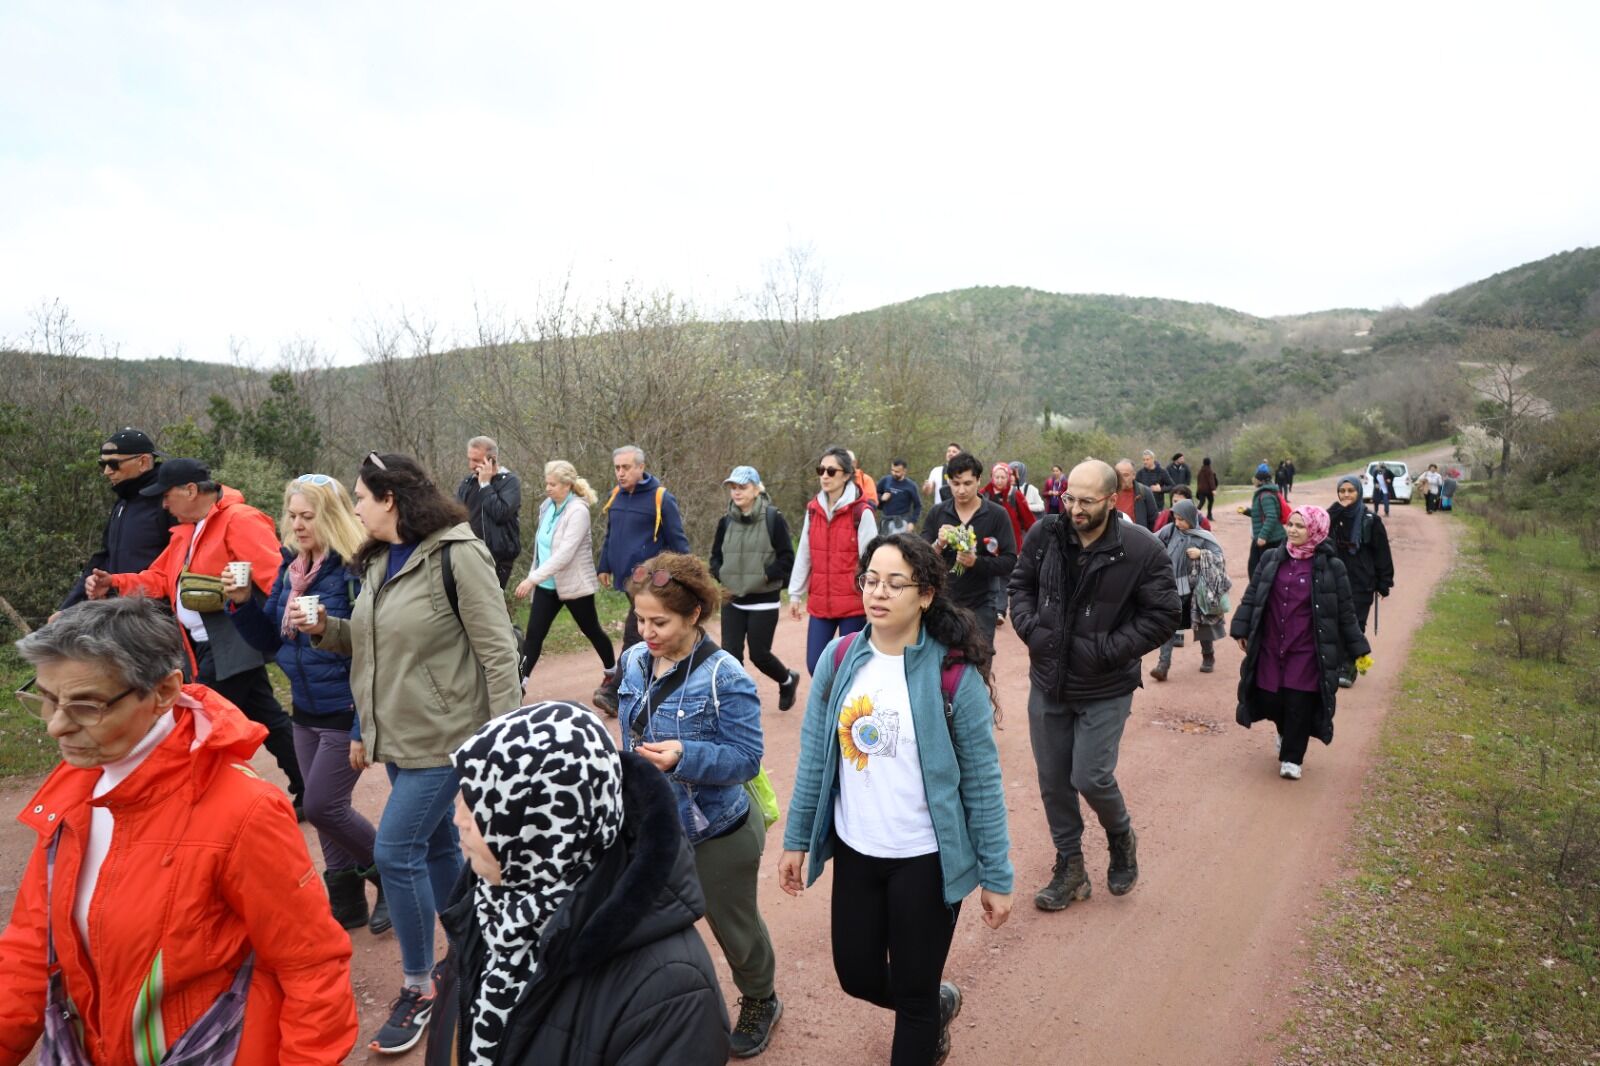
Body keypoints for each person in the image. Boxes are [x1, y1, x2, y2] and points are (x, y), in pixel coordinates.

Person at [0, 598, 358, 1065]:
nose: (56, 726)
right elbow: (31, 943)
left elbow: (310, 965)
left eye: (85, 706)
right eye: (46, 699)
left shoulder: (243, 811)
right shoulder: (74, 786)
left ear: (165, 692)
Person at [303, 451, 522, 1055]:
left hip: (449, 739)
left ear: (390, 498)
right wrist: (326, 626)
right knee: (435, 847)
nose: (354, 508)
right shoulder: (378, 560)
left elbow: (499, 652)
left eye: (360, 497)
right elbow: (370, 641)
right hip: (400, 736)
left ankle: (421, 985)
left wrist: (502, 748)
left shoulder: (459, 554)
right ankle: (475, 947)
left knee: (396, 849)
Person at [779, 533, 1014, 1066]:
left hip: (925, 861)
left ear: (926, 595)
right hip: (858, 851)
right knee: (856, 975)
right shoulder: (840, 659)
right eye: (871, 581)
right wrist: (797, 840)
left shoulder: (953, 674)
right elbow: (816, 758)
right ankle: (936, 1003)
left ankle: (924, 1011)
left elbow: (981, 781)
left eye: (894, 583)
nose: (877, 593)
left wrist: (997, 876)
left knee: (912, 998)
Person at [425, 701, 730, 1066]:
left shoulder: (672, 992)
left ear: (542, 826)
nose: (458, 818)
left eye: (478, 803)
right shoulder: (489, 904)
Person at [616, 552, 782, 1058]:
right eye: (640, 619)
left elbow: (746, 759)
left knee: (734, 928)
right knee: (646, 927)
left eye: (659, 621)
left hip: (716, 831)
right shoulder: (633, 661)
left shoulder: (724, 674)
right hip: (652, 827)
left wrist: (685, 755)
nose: (647, 631)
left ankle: (760, 999)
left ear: (693, 615)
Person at [86, 456, 306, 812]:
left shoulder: (239, 520)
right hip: (205, 646)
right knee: (268, 717)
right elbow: (159, 579)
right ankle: (308, 786)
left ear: (191, 490)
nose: (163, 503)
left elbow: (275, 578)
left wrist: (289, 634)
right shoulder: (186, 532)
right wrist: (115, 583)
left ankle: (208, 808)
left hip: (235, 640)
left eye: (167, 495)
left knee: (199, 721)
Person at [1009, 460, 1179, 912]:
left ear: (1110, 498)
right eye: (1069, 498)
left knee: (1089, 775)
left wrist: (1106, 650)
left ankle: (1121, 835)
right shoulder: (1045, 535)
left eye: (1086, 501)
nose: (1075, 509)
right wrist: (1033, 630)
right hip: (1049, 679)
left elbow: (1164, 616)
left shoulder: (1140, 549)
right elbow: (1020, 585)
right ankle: (1071, 868)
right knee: (1053, 781)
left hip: (1106, 684)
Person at [225, 472, 387, 934]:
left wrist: (326, 626)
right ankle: (348, 901)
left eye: (307, 516)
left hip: (345, 708)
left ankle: (390, 876)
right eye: (292, 515)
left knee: (321, 806)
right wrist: (240, 604)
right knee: (325, 812)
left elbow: (373, 648)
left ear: (330, 517)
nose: (296, 525)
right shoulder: (291, 570)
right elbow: (271, 640)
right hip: (305, 710)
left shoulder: (355, 570)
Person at [1230, 506, 1372, 780]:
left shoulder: (1332, 567)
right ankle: (1284, 732)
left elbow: (1345, 611)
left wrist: (1359, 649)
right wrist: (1241, 627)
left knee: (1299, 701)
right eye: (1290, 524)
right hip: (1272, 644)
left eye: (1300, 526)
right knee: (1272, 698)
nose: (1292, 530)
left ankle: (1293, 758)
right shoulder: (1272, 558)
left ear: (1316, 530)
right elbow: (1252, 594)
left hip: (1307, 648)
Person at [594, 445, 691, 714]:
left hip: (649, 582)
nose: (621, 473)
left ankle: (614, 692)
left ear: (640, 467)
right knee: (646, 636)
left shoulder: (661, 498)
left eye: (626, 467)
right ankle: (658, 684)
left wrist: (687, 580)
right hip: (625, 580)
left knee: (634, 633)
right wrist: (604, 564)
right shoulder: (616, 496)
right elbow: (610, 535)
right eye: (617, 468)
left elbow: (678, 542)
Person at [512, 460, 615, 690]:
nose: (548, 488)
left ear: (567, 485)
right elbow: (542, 549)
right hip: (547, 586)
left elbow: (565, 554)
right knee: (534, 637)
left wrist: (531, 579)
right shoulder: (546, 506)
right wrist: (538, 577)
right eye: (547, 483)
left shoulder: (578, 511)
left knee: (592, 630)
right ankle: (519, 685)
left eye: (553, 484)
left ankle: (612, 673)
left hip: (574, 585)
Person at [56, 427, 176, 617]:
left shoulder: (169, 501)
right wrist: (68, 609)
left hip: (158, 619)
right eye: (102, 464)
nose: (106, 471)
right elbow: (104, 558)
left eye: (113, 464)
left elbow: (181, 563)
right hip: (120, 615)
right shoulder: (123, 502)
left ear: (143, 461)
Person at [710, 466, 801, 710]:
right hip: (732, 597)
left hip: (763, 598)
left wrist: (763, 576)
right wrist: (722, 574)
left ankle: (787, 679)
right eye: (733, 488)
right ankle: (736, 703)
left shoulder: (773, 518)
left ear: (756, 489)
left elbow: (786, 559)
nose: (736, 492)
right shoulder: (725, 521)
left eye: (742, 487)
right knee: (730, 655)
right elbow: (715, 557)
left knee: (759, 655)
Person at [790, 446, 880, 674]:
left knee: (850, 668)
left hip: (854, 605)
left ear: (847, 474)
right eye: (821, 470)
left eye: (831, 471)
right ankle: (832, 707)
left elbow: (872, 563)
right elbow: (804, 553)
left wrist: (873, 600)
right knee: (815, 666)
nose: (824, 476)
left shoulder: (862, 512)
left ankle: (844, 710)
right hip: (821, 603)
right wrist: (795, 593)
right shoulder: (813, 510)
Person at [921, 451, 1017, 648]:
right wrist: (938, 545)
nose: (961, 490)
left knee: (978, 666)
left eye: (967, 483)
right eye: (956, 484)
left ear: (978, 480)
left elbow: (1009, 561)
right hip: (942, 604)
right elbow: (920, 559)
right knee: (941, 667)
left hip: (981, 605)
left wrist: (976, 562)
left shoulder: (997, 515)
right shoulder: (938, 513)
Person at [1150, 499, 1229, 680]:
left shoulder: (1204, 537)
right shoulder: (1169, 531)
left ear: (1191, 518)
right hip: (1174, 588)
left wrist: (1201, 554)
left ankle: (1208, 656)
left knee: (1202, 623)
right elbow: (1151, 542)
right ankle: (1163, 665)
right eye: (1176, 518)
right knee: (1169, 624)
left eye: (1182, 519)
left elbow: (1219, 558)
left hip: (1197, 590)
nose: (1178, 523)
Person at [1327, 476, 1394, 685]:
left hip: (1361, 580)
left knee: (1355, 624)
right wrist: (1332, 512)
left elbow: (1382, 552)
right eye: (1342, 491)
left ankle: (1349, 667)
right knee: (1334, 622)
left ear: (1358, 492)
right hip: (1335, 578)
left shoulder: (1370, 520)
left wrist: (1384, 582)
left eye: (1350, 491)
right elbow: (1316, 537)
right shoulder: (1332, 516)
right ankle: (1336, 664)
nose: (1346, 495)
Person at [455, 435, 523, 588]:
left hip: (497, 559)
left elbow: (501, 514)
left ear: (491, 459)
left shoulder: (509, 482)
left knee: (492, 607)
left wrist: (485, 484)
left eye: (477, 461)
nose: (471, 465)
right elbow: (456, 517)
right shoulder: (467, 483)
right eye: (469, 459)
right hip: (468, 556)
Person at [1242, 463, 1287, 579]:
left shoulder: (1265, 495)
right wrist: (1247, 511)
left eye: (1255, 478)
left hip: (1269, 539)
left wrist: (1263, 536)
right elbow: (1261, 514)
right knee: (1256, 567)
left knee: (1258, 569)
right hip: (1265, 537)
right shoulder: (1265, 493)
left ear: (1260, 481)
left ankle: (1258, 593)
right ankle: (1257, 592)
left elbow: (1271, 516)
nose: (1253, 480)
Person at [877, 458, 923, 536]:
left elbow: (918, 506)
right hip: (885, 522)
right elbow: (874, 496)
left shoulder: (911, 486)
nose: (893, 473)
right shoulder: (885, 480)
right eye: (892, 470)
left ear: (904, 471)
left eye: (897, 471)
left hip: (901, 522)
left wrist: (912, 522)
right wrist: (881, 498)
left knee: (895, 546)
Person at [1112, 458, 1160, 530]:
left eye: (1125, 475)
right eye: (1118, 475)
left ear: (1133, 475)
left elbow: (1154, 520)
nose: (1121, 478)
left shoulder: (1144, 492)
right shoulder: (1109, 492)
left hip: (1136, 537)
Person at [1195, 456, 1218, 521]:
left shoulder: (1200, 471)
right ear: (1209, 463)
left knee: (1202, 502)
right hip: (1208, 490)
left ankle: (1194, 514)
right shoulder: (1209, 471)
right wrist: (1213, 489)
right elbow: (1211, 480)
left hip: (1201, 490)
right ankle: (1209, 515)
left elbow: (1199, 481)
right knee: (1211, 501)